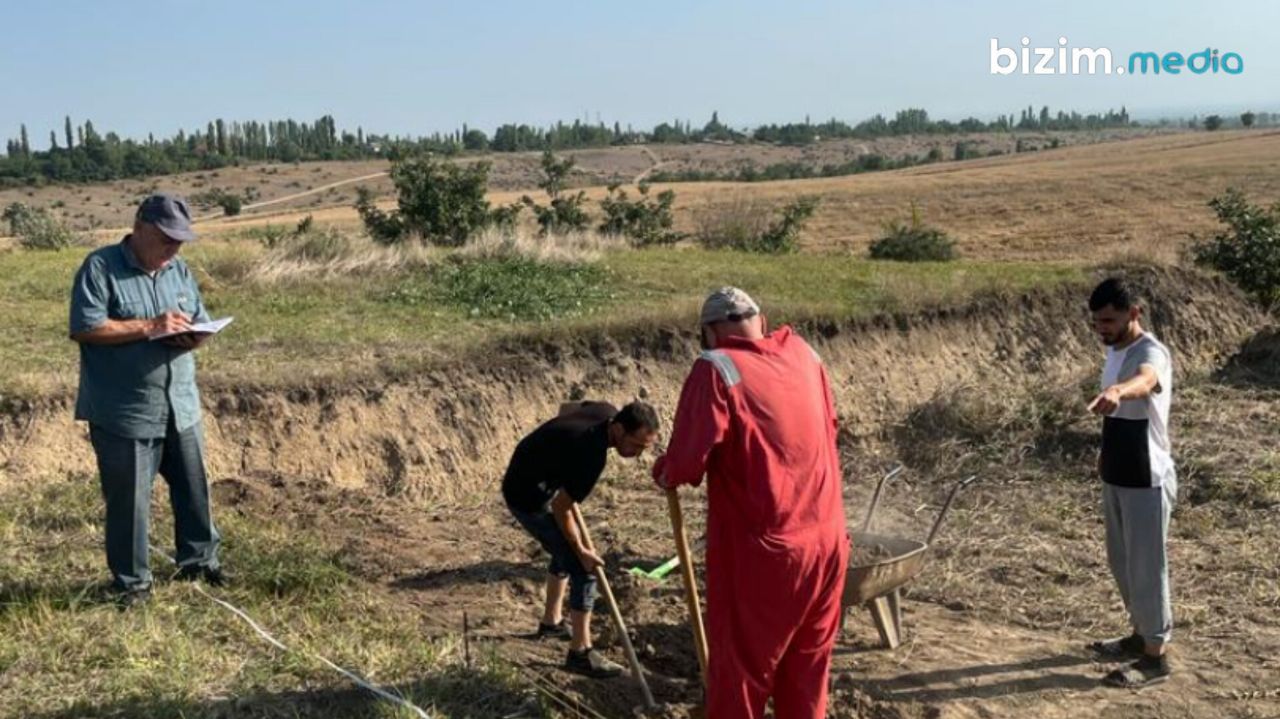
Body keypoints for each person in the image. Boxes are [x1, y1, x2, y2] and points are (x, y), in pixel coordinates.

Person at [652, 287, 848, 719]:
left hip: (766, 554)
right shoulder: (805, 354)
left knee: (741, 673)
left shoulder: (716, 367)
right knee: (807, 670)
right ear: (761, 320)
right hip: (829, 543)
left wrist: (664, 470)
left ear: (708, 332)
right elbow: (827, 426)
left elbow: (686, 464)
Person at [69, 193, 226, 608]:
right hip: (126, 410)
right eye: (166, 239)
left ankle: (199, 561)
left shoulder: (180, 270)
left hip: (181, 403)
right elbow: (86, 328)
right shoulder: (100, 267)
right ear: (139, 228)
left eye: (179, 241)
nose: (173, 249)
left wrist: (193, 335)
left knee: (194, 490)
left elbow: (196, 316)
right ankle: (132, 583)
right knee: (131, 503)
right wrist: (147, 327)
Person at [502, 400, 660, 678]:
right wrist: (582, 550)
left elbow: (567, 408)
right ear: (620, 429)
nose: (636, 454)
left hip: (534, 474)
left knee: (563, 553)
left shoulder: (604, 412)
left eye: (643, 449)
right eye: (636, 445)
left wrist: (557, 452)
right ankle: (580, 653)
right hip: (526, 496)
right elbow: (561, 506)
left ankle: (551, 623)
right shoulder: (591, 455)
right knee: (583, 569)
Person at [1085, 277, 1176, 688]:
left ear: (1133, 313)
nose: (1102, 328)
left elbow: (1147, 381)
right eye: (1097, 322)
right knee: (1122, 564)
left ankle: (1155, 658)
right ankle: (1139, 636)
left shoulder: (1149, 351)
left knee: (1146, 567)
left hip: (1146, 476)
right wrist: (1105, 452)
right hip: (1118, 471)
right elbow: (1115, 413)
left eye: (1109, 320)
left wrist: (1121, 390)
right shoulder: (1113, 348)